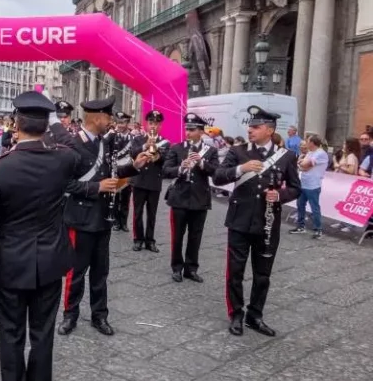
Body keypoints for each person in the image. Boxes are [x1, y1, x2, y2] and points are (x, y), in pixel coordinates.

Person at [0, 91, 80, 381]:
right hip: (49, 262)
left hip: (12, 262)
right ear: (47, 125)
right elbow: (83, 155)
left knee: (12, 333)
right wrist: (58, 130)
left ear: (15, 124)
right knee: (43, 334)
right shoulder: (64, 159)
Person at [52, 96, 148, 337]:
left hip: (103, 218)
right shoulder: (71, 144)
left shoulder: (106, 143)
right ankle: (70, 315)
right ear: (96, 118)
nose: (111, 121)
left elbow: (112, 173)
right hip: (80, 219)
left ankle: (99, 315)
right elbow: (62, 183)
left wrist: (135, 166)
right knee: (76, 272)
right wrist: (96, 188)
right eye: (108, 117)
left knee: (100, 272)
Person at [213, 105, 300, 337]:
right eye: (249, 126)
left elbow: (295, 188)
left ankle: (255, 315)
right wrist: (240, 169)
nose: (250, 130)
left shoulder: (287, 156)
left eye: (256, 126)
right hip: (239, 221)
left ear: (269, 130)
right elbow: (219, 177)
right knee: (235, 272)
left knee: (263, 274)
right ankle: (237, 314)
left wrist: (280, 196)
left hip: (268, 224)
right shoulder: (238, 152)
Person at [163, 113, 219, 283]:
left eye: (192, 129)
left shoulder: (211, 151)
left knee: (196, 236)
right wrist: (180, 168)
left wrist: (202, 163)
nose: (187, 132)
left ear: (201, 131)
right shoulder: (177, 148)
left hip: (200, 199)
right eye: (186, 129)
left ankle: (191, 268)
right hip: (179, 198)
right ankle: (177, 267)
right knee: (177, 236)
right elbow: (166, 170)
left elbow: (216, 172)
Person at [129, 110, 170, 252]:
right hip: (140, 180)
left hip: (154, 182)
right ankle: (138, 239)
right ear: (146, 124)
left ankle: (150, 240)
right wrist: (145, 146)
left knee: (152, 213)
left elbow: (166, 159)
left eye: (157, 124)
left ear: (161, 126)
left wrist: (157, 153)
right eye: (151, 123)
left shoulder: (165, 142)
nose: (153, 126)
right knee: (138, 212)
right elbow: (132, 153)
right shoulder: (138, 139)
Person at [290, 134, 328, 239]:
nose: (305, 143)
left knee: (314, 207)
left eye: (307, 141)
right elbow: (302, 164)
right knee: (300, 204)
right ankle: (300, 226)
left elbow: (305, 165)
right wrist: (302, 164)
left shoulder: (320, 153)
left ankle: (318, 229)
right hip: (304, 183)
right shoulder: (310, 152)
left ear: (312, 143)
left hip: (313, 185)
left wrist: (302, 164)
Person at [111, 111, 133, 232]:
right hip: (115, 171)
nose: (120, 125)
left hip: (127, 171)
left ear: (127, 123)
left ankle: (123, 222)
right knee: (114, 197)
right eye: (118, 122)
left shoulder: (133, 138)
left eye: (123, 122)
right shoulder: (112, 136)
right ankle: (115, 221)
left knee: (125, 198)